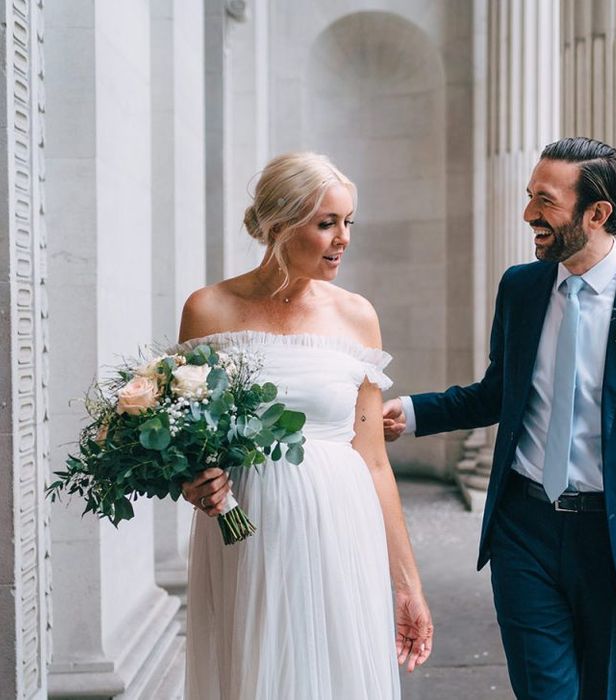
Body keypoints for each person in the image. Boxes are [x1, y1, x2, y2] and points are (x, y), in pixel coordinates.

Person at [383, 137, 616, 699]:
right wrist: (413, 413)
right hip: (525, 530)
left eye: (544, 201)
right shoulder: (520, 288)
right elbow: (498, 393)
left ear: (597, 213)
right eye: (528, 197)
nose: (528, 216)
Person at [177, 151, 433, 699]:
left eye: (348, 223)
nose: (343, 238)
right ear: (278, 224)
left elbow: (373, 460)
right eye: (326, 223)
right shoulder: (208, 309)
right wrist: (194, 482)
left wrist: (407, 585)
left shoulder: (357, 316)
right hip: (246, 534)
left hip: (343, 531)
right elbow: (191, 438)